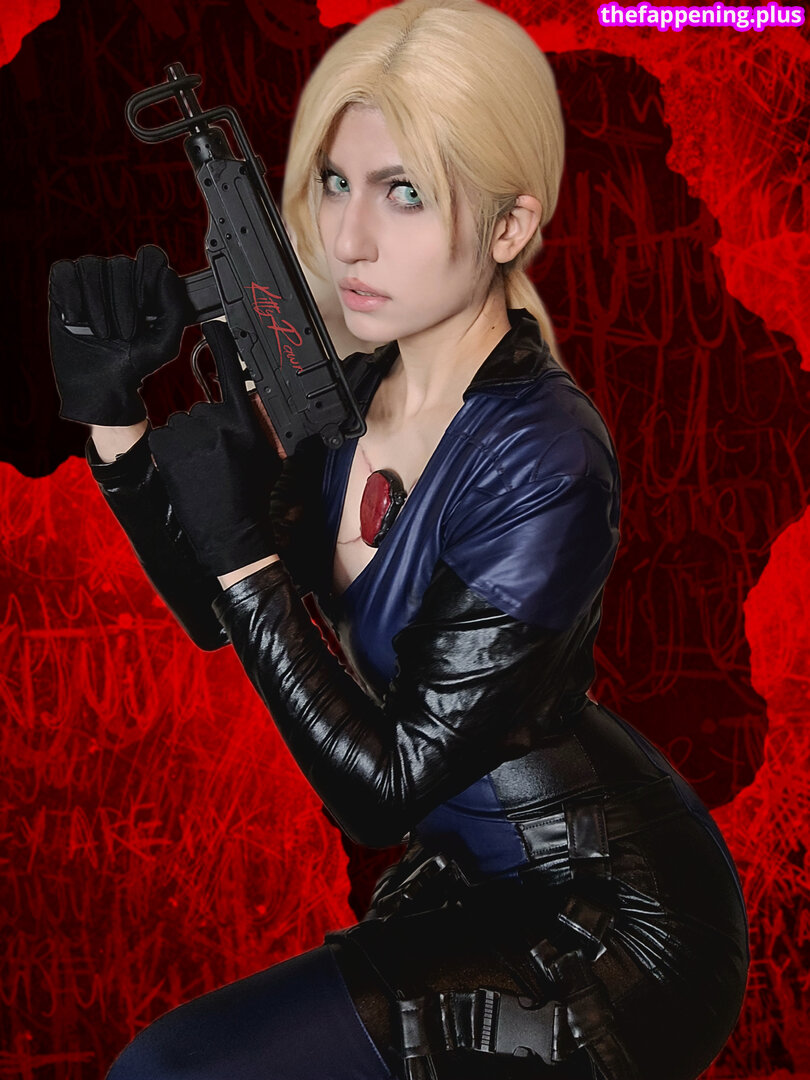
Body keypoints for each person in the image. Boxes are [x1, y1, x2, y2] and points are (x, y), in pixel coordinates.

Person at [47, 1, 749, 1077]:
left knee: (169, 1071)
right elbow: (213, 611)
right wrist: (117, 426)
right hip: (471, 881)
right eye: (338, 183)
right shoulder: (348, 397)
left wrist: (248, 559)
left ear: (508, 228)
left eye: (405, 192)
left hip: (620, 930)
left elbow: (382, 792)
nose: (350, 239)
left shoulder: (545, 457)